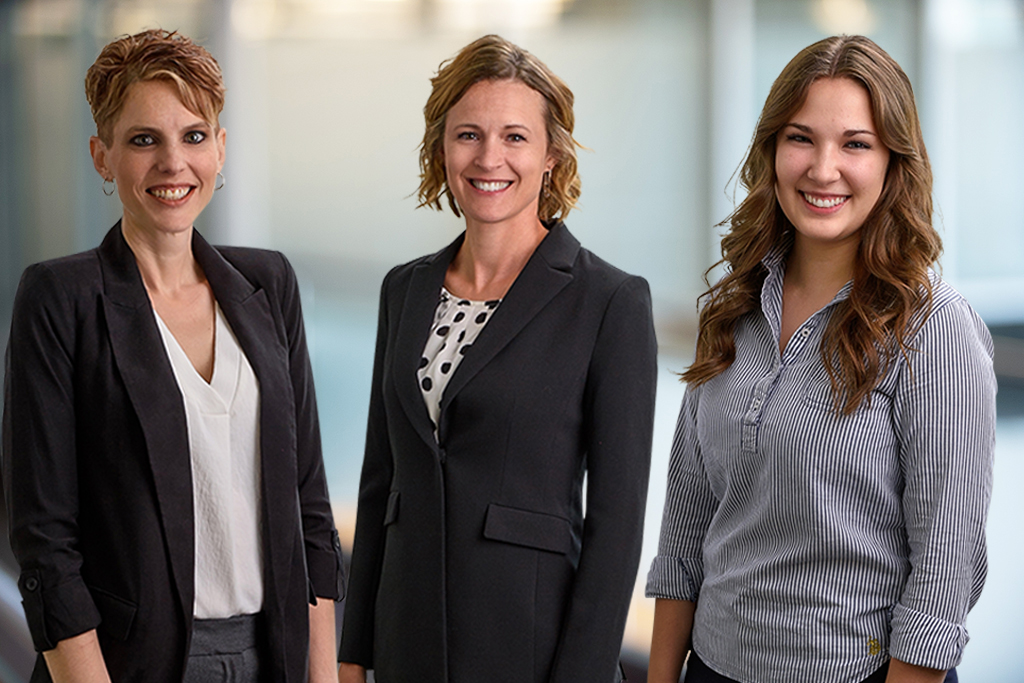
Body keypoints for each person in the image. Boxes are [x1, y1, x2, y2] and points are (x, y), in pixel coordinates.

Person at [645, 35, 996, 683]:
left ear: (894, 162)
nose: (822, 168)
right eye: (801, 138)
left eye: (855, 144)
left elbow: (944, 574)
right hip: (712, 666)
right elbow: (685, 530)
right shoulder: (731, 308)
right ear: (772, 151)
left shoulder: (935, 329)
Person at [2, 29, 344, 682]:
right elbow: (46, 544)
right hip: (126, 665)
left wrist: (322, 675)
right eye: (142, 139)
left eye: (193, 136)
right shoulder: (61, 298)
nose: (173, 163)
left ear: (221, 147)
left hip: (274, 654)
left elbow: (311, 511)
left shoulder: (268, 285)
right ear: (102, 157)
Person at [336, 34, 658, 683]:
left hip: (529, 648)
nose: (489, 157)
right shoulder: (405, 288)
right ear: (441, 148)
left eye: (515, 136)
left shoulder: (609, 301)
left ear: (551, 154)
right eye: (468, 135)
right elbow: (379, 487)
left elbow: (617, 529)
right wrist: (353, 654)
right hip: (407, 646)